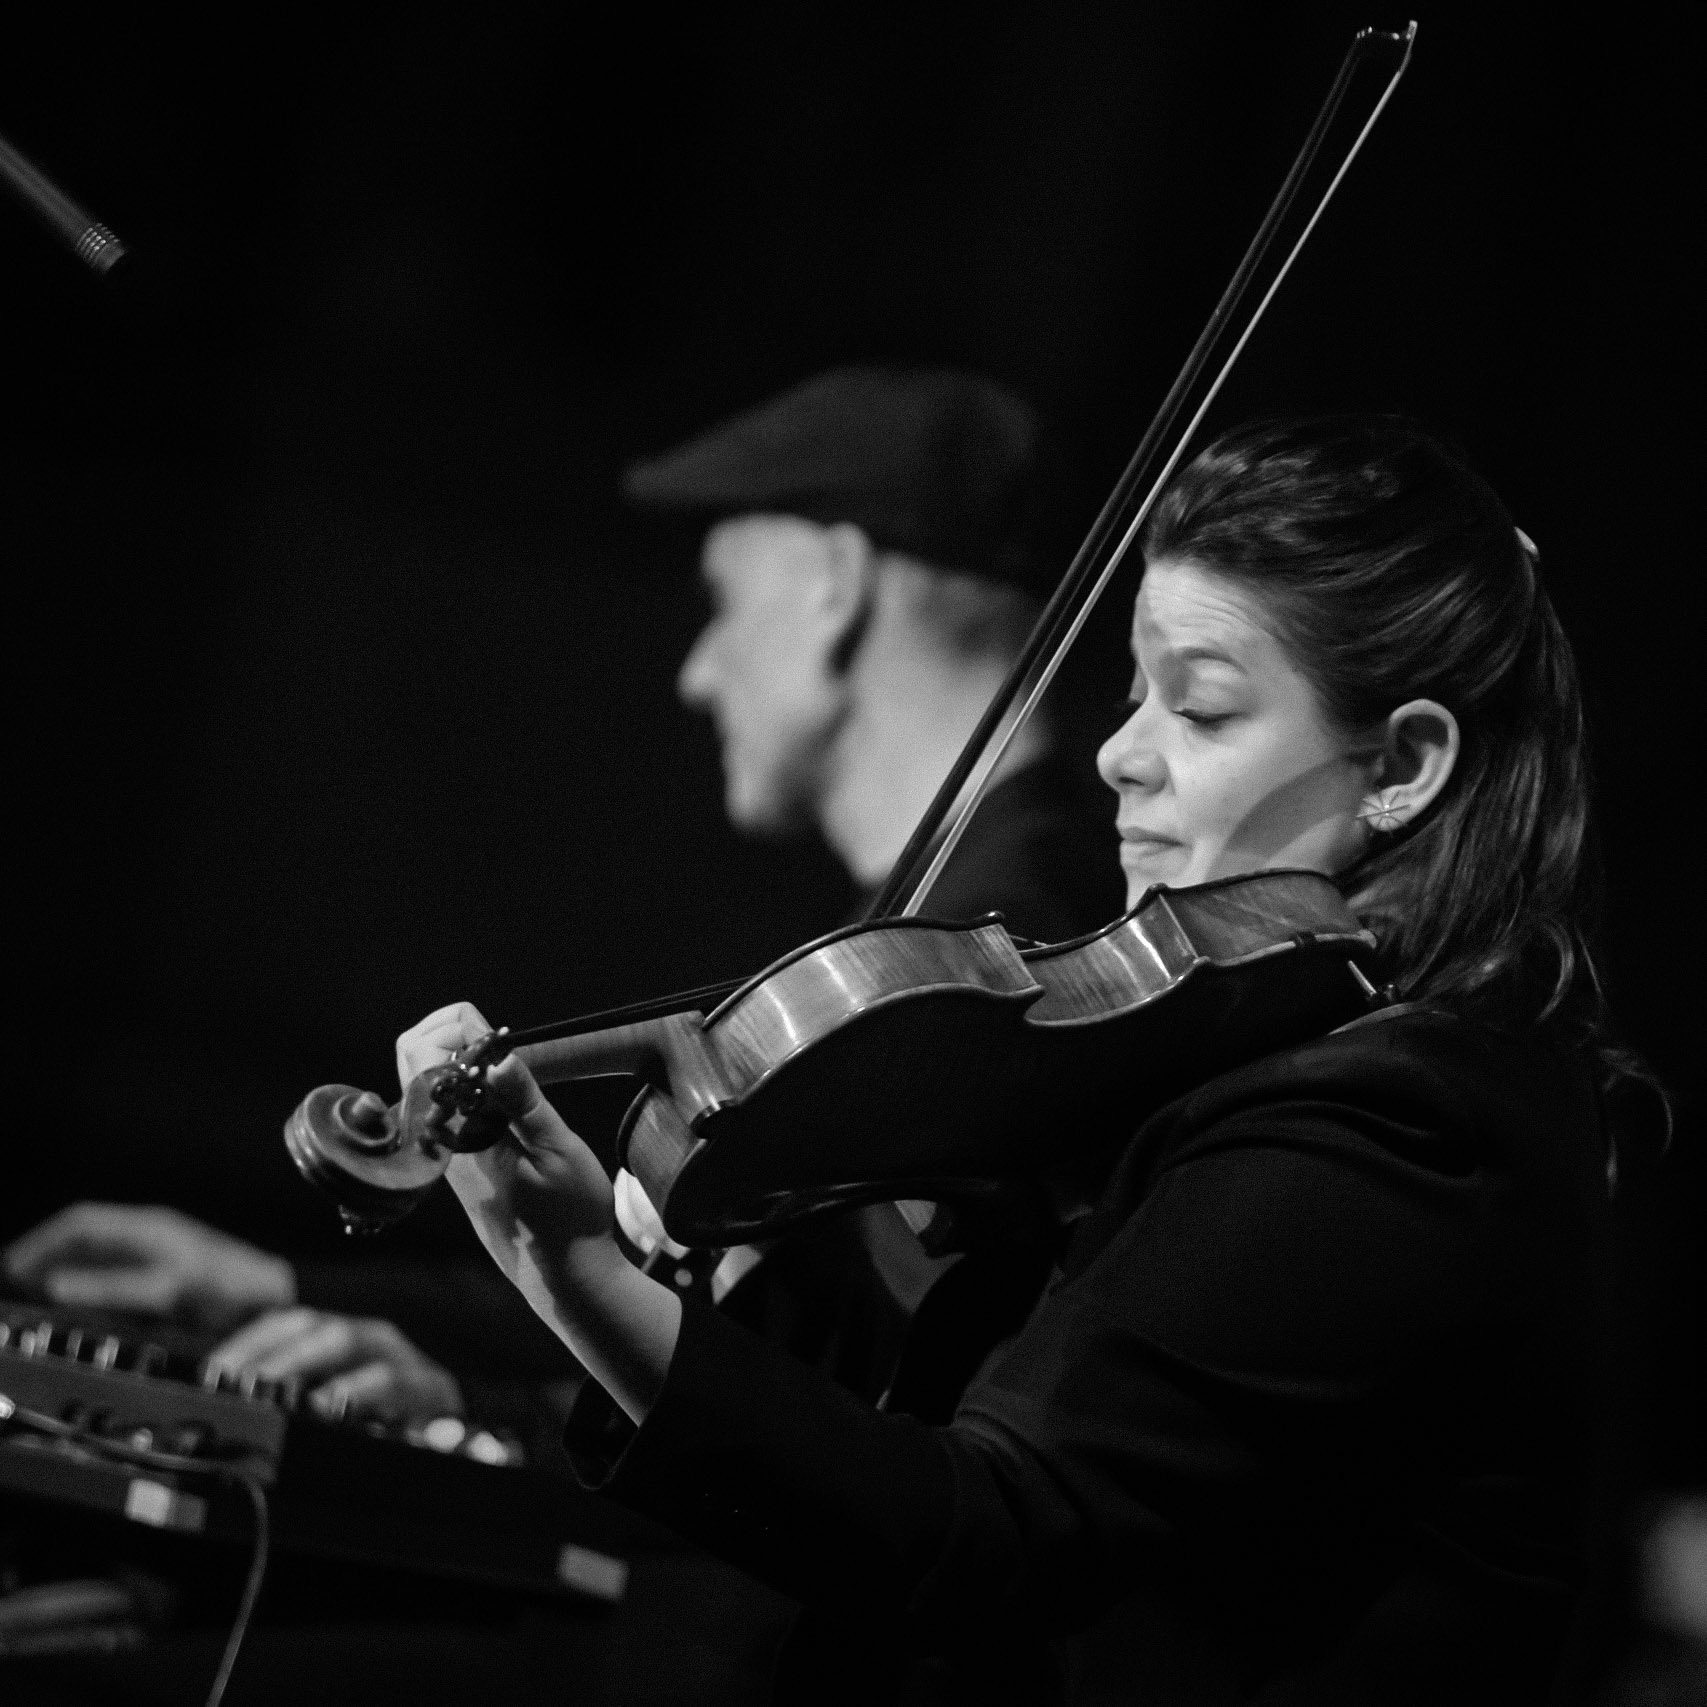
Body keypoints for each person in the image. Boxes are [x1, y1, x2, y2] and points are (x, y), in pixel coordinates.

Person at [391, 415, 1641, 1702]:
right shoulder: (1277, 1057)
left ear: (1405, 768)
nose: (1119, 753)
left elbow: (987, 1529)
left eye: (1203, 709)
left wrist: (577, 1265)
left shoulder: (1403, 1130)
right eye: (1134, 694)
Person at [3, 366, 1119, 1424]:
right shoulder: (942, 928)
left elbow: (818, 1390)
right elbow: (674, 1290)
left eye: (723, 600)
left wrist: (480, 1417)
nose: (698, 670)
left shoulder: (989, 953)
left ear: (835, 584)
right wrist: (280, 1287)